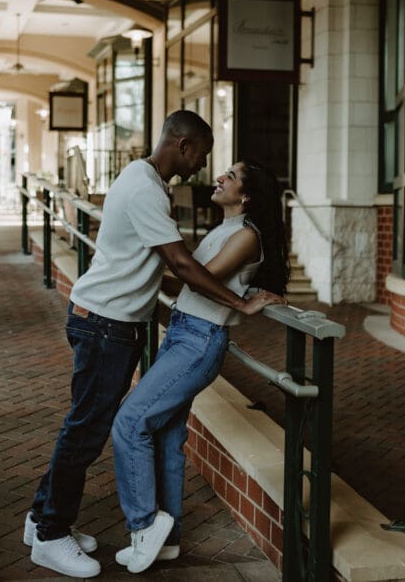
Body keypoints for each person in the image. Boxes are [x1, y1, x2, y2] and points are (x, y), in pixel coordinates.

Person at [24, 111, 285, 579]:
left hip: (117, 323)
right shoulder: (147, 188)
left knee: (97, 426)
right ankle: (50, 533)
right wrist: (241, 305)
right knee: (88, 429)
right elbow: (184, 268)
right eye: (201, 157)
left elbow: (178, 268)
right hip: (105, 323)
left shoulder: (150, 184)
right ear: (183, 145)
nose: (202, 169)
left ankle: (43, 519)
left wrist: (233, 296)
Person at [109, 160, 289, 573]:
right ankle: (167, 542)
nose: (221, 176)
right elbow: (186, 278)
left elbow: (198, 279)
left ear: (246, 194)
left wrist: (244, 303)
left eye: (232, 175)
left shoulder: (246, 236)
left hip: (199, 341)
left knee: (130, 422)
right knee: (168, 437)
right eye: (224, 170)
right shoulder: (225, 230)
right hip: (183, 332)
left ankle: (143, 526)